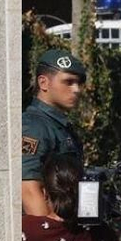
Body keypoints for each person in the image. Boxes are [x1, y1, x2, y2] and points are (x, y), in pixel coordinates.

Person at [22, 49, 87, 216]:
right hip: (52, 233)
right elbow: (28, 190)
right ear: (44, 83)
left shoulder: (59, 125)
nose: (76, 89)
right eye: (68, 82)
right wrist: (51, 235)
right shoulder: (33, 126)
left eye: (79, 83)